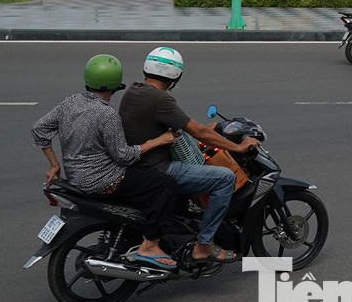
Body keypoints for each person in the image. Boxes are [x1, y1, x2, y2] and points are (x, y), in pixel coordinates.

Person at [32, 55, 182, 270]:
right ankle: (150, 245)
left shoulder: (70, 102)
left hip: (76, 179)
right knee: (165, 184)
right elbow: (124, 156)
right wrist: (158, 141)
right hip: (104, 181)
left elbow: (39, 129)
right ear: (116, 84)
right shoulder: (107, 114)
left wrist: (53, 164)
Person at [118, 47, 261, 268]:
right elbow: (199, 132)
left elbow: (179, 127)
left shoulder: (133, 92)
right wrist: (239, 147)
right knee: (224, 178)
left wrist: (207, 128)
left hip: (137, 166)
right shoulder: (160, 99)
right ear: (176, 75)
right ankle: (203, 245)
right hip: (158, 168)